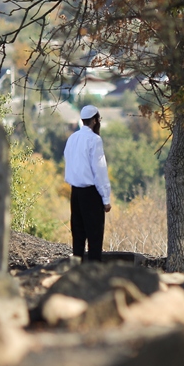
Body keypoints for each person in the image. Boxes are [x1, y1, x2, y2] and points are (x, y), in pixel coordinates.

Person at [64, 104, 112, 262]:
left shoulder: (72, 138)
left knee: (77, 236)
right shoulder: (94, 140)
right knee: (94, 236)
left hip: (75, 192)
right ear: (94, 120)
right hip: (91, 193)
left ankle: (76, 270)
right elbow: (100, 171)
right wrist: (106, 199)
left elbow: (68, 161)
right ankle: (94, 272)